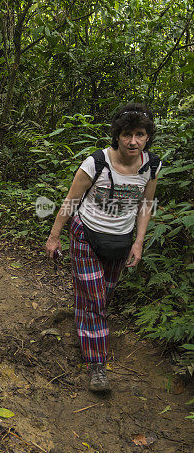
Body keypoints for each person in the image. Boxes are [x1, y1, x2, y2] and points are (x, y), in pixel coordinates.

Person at [45, 103, 161, 393]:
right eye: (127, 134)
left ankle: (84, 320)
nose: (133, 141)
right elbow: (71, 200)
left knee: (101, 297)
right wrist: (54, 236)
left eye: (139, 134)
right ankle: (97, 365)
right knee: (96, 300)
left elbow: (146, 205)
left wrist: (138, 242)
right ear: (117, 136)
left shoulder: (151, 166)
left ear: (147, 137)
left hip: (120, 241)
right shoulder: (95, 163)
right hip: (86, 234)